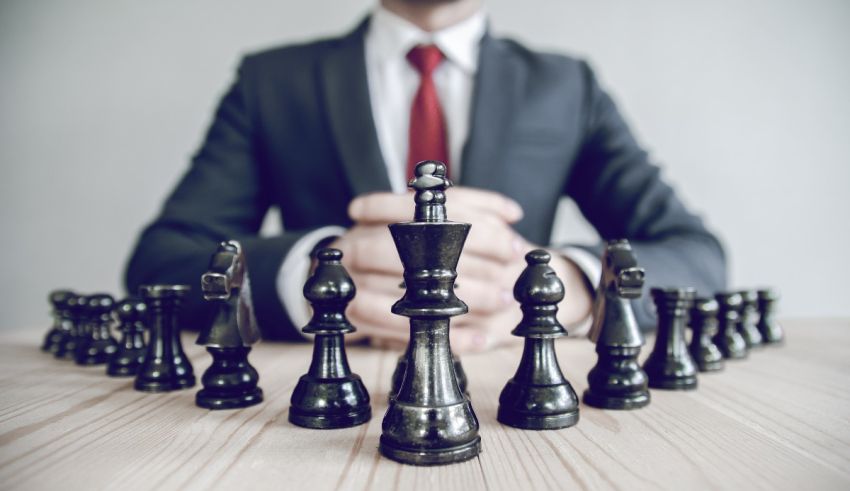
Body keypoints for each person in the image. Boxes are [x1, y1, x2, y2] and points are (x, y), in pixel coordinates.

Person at [125, 0, 726, 353]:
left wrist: (559, 286)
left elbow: (696, 256)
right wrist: (312, 274)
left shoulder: (568, 86)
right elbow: (161, 263)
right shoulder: (272, 82)